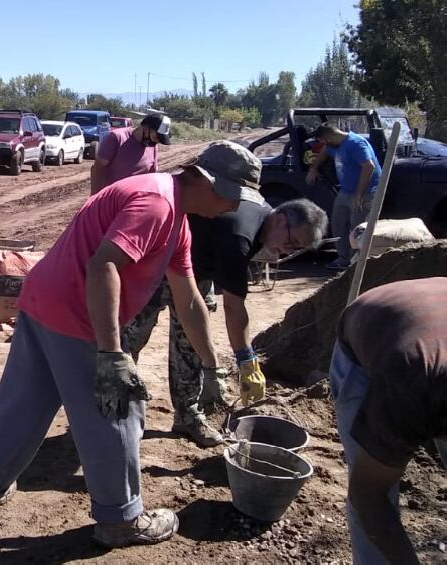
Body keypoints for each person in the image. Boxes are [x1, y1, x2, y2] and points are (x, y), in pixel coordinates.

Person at [0, 141, 264, 549]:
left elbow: (190, 300)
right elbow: (104, 264)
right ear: (211, 184)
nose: (234, 209)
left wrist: (213, 367)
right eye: (234, 198)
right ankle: (121, 520)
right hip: (76, 314)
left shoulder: (177, 219)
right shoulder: (156, 204)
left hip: (43, 301)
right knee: (120, 409)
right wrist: (110, 353)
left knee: (25, 403)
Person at [122, 198, 328, 446]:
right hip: (156, 267)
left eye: (296, 249)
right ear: (280, 219)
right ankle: (117, 408)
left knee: (190, 346)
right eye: (291, 242)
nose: (288, 251)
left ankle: (187, 416)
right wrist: (246, 360)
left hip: (194, 273)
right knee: (129, 340)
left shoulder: (261, 224)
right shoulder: (241, 235)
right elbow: (234, 308)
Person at [330, 278, 447, 564]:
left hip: (428, 318)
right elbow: (368, 495)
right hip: (370, 331)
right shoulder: (409, 388)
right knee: (372, 494)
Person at [305, 122, 382, 270]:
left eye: (324, 141)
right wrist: (313, 168)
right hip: (345, 191)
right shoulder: (333, 146)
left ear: (329, 136)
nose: (324, 144)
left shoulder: (355, 144)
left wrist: (359, 193)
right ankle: (342, 259)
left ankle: (355, 264)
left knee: (357, 228)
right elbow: (325, 151)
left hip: (365, 192)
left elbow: (369, 166)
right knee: (338, 223)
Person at [90, 114, 172, 194]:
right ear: (146, 128)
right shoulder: (117, 138)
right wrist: (95, 195)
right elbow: (98, 167)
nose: (155, 142)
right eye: (155, 137)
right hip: (112, 198)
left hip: (134, 200)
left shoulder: (153, 147)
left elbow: (151, 175)